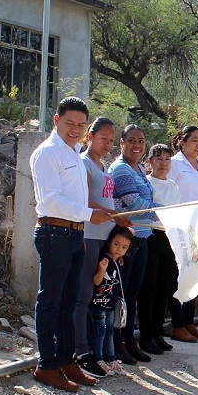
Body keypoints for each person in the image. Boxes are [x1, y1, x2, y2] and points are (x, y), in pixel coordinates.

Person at [29, 97, 119, 392]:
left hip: (75, 234)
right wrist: (90, 213)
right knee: (51, 302)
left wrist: (90, 215)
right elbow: (51, 200)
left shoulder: (75, 153)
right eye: (70, 123)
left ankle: (67, 361)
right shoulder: (47, 154)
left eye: (81, 125)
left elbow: (79, 199)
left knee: (69, 302)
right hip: (54, 233)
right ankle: (47, 365)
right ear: (56, 120)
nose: (75, 129)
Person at [73, 117, 123, 376]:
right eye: (103, 138)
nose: (107, 144)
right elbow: (88, 201)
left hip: (104, 237)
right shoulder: (83, 164)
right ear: (89, 136)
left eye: (111, 140)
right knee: (83, 295)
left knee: (99, 296)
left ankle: (96, 350)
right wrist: (114, 216)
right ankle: (80, 350)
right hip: (89, 235)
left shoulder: (102, 165)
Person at [108, 124, 156, 361]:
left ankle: (128, 340)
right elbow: (136, 206)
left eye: (141, 141)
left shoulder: (139, 168)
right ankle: (117, 343)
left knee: (132, 293)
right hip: (126, 241)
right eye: (132, 140)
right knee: (121, 293)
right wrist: (169, 212)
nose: (137, 145)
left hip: (142, 238)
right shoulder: (121, 169)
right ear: (122, 143)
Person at [169, 125, 198, 341]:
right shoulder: (174, 165)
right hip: (178, 229)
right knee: (178, 278)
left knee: (193, 277)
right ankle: (177, 325)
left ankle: (188, 322)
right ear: (182, 141)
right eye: (194, 140)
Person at [140, 144, 181, 350]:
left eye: (167, 159)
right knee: (149, 287)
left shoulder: (173, 186)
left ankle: (157, 332)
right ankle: (146, 336)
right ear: (150, 162)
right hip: (151, 236)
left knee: (164, 287)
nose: (163, 163)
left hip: (169, 238)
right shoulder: (147, 184)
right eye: (158, 159)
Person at [91, 227, 134, 376]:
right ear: (109, 242)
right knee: (100, 332)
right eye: (116, 244)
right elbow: (97, 282)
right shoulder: (104, 259)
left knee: (110, 332)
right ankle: (98, 359)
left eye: (124, 247)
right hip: (99, 303)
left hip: (110, 304)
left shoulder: (118, 262)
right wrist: (102, 269)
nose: (119, 249)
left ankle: (111, 359)